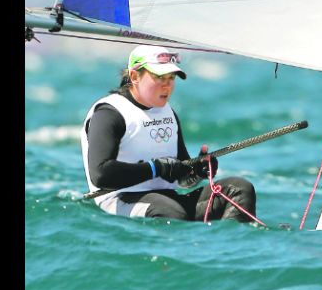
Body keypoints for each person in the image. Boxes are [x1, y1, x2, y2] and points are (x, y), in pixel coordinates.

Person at [80, 45, 256, 222]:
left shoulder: (167, 112)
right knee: (172, 213)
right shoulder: (109, 114)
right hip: (120, 199)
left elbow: (181, 179)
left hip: (168, 199)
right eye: (159, 77)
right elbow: (100, 174)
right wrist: (156, 168)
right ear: (134, 77)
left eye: (171, 78)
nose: (167, 85)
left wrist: (196, 171)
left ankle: (229, 239)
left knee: (240, 189)